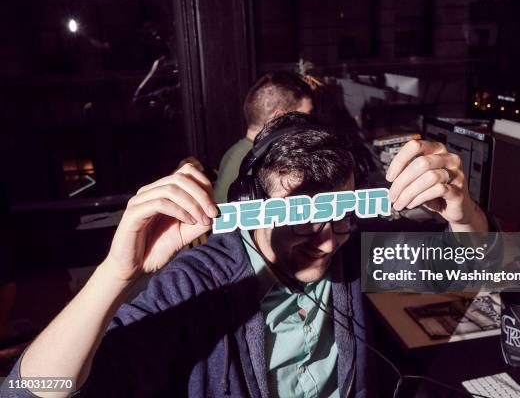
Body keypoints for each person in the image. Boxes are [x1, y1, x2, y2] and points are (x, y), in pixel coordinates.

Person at [6, 112, 491, 398]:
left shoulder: (352, 251)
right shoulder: (198, 283)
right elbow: (30, 393)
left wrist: (462, 210)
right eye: (300, 225)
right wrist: (116, 275)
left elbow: (493, 269)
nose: (326, 243)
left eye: (340, 217)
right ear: (251, 210)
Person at [213, 72, 314, 204]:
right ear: (278, 118)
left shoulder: (237, 151)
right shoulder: (262, 164)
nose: (310, 127)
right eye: (306, 116)